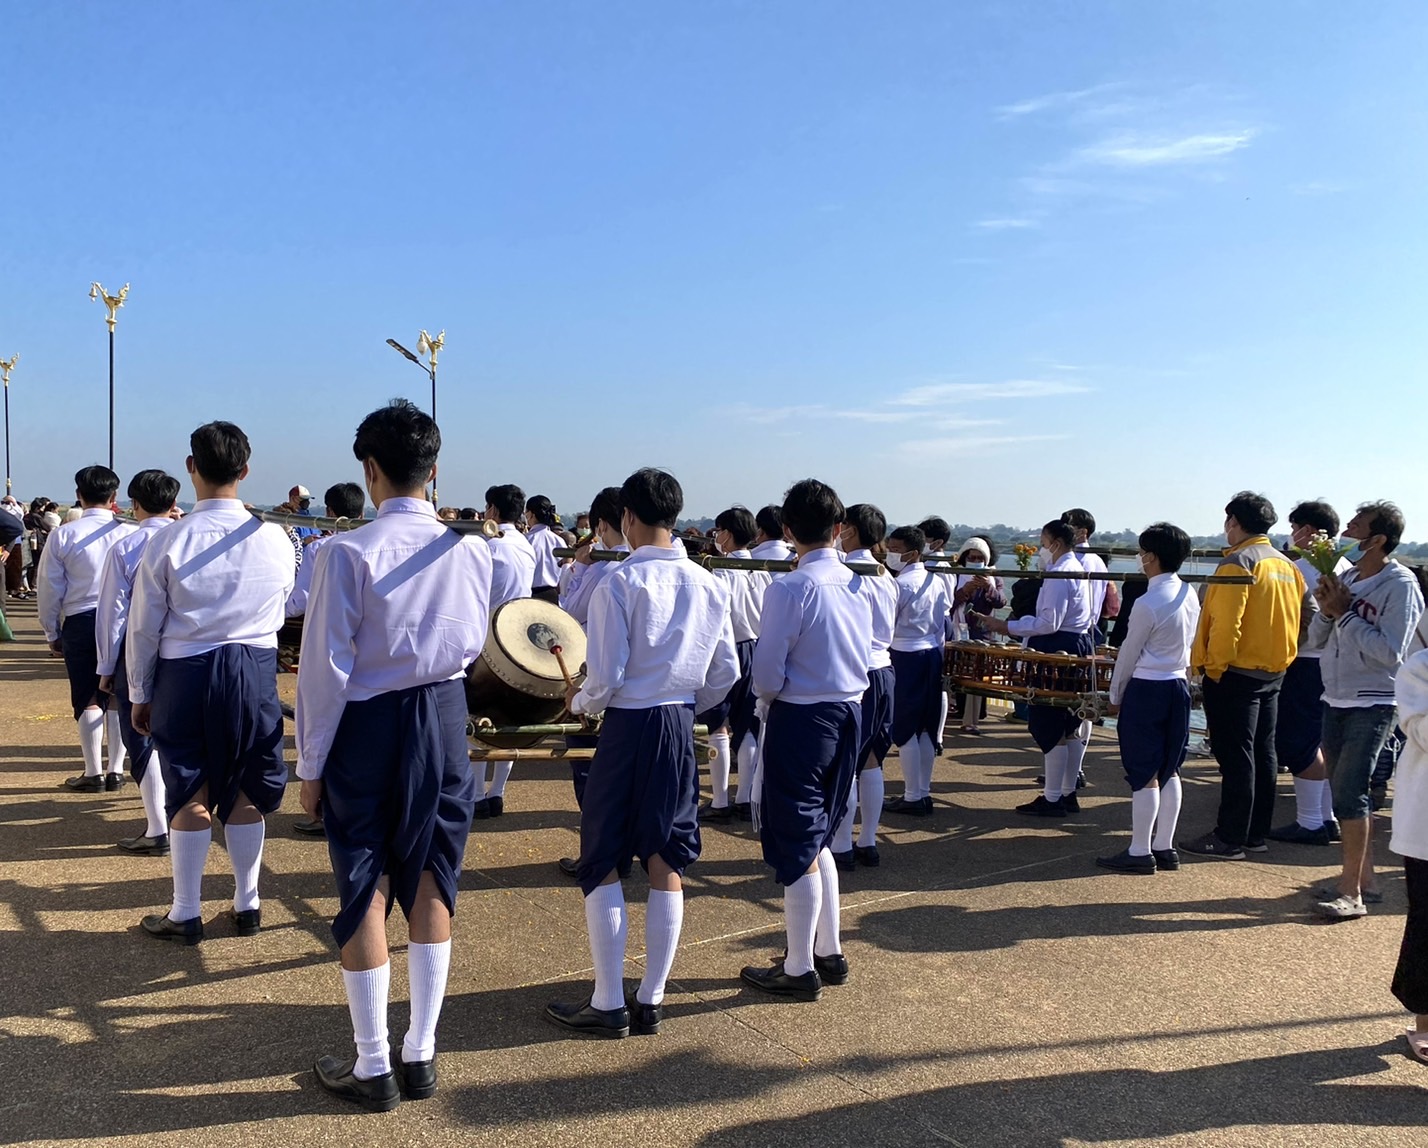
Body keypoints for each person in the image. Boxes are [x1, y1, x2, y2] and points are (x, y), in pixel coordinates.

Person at [296, 400, 493, 1110]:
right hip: (444, 716)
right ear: (434, 470)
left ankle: (372, 1063)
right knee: (434, 873)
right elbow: (477, 643)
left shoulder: (345, 552)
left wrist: (309, 767)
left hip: (370, 723)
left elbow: (324, 671)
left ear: (370, 470)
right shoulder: (472, 547)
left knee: (365, 876)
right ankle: (423, 1053)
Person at [545, 468, 738, 1038]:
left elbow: (606, 675)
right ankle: (652, 997)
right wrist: (685, 703)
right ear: (674, 516)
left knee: (602, 853)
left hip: (629, 724)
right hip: (678, 723)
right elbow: (725, 671)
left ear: (627, 518)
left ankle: (609, 1000)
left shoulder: (620, 584)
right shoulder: (709, 583)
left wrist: (581, 701)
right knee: (666, 855)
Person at [128, 422, 296, 944]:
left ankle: (186, 909)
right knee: (247, 784)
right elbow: (286, 602)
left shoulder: (168, 540)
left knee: (188, 787)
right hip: (254, 668)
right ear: (245, 471)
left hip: (187, 670)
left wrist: (139, 691)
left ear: (190, 467)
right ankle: (248, 902)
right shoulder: (276, 537)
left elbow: (143, 625)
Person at [741, 479, 871, 1001]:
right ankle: (828, 948)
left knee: (799, 837)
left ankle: (799, 967)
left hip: (803, 714)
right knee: (821, 832)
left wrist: (765, 697)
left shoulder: (791, 587)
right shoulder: (861, 583)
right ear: (839, 529)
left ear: (789, 530)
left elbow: (767, 670)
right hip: (849, 709)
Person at [1304, 502, 1423, 919]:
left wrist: (1345, 613)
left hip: (1374, 701)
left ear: (1378, 540)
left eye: (1355, 529)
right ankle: (1365, 879)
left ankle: (1350, 892)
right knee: (1344, 794)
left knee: (1351, 792)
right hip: (1335, 695)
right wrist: (1325, 607)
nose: (1345, 536)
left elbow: (1391, 653)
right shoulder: (1348, 576)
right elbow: (1319, 638)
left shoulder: (1400, 584)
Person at [1182, 493, 1305, 860]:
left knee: (1235, 755)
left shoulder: (1239, 563)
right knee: (1263, 752)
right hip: (1274, 669)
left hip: (1235, 672)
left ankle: (1229, 836)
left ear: (1234, 522)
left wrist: (1212, 669)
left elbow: (1225, 625)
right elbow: (1308, 616)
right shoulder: (1287, 565)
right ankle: (1254, 833)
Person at [1095, 524, 1200, 873]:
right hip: (1177, 683)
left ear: (1151, 557)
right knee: (1171, 767)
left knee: (1144, 770)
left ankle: (1140, 850)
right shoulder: (1190, 593)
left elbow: (1128, 653)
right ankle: (1165, 845)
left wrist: (1115, 693)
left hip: (1148, 685)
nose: (1141, 559)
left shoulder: (1147, 602)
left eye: (1142, 553)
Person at [978, 521, 1094, 817]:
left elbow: (1048, 622)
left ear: (1054, 543)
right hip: (1076, 644)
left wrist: (1007, 625)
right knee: (1068, 724)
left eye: (1043, 542)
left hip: (1056, 647)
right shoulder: (1078, 568)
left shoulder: (1058, 573)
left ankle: (1053, 798)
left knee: (1048, 720)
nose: (1041, 549)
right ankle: (1066, 794)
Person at [95, 469, 181, 855]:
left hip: (138, 648)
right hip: (184, 650)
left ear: (134, 504)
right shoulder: (186, 538)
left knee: (140, 737)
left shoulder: (126, 547)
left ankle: (156, 827)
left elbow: (112, 614)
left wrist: (105, 666)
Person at [36, 466, 134, 792]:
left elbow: (49, 589)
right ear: (114, 497)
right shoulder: (128, 531)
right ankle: (117, 769)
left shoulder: (64, 534)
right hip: (123, 619)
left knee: (87, 694)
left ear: (79, 495)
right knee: (120, 695)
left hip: (81, 618)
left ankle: (92, 771)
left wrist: (52, 631)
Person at [1268, 500, 1353, 846]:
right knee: (1327, 740)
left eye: (1294, 528)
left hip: (1305, 660)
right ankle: (1327, 817)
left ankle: (1310, 821)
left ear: (1308, 532)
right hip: (1342, 662)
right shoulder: (1349, 567)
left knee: (1299, 740)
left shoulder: (1298, 569)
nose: (1291, 536)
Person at [554, 485, 627, 878]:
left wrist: (579, 568)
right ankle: (624, 848)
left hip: (593, 672)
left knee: (589, 769)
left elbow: (569, 609)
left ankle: (599, 852)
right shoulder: (639, 563)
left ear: (601, 524)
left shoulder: (603, 566)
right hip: (645, 692)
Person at [829, 503, 898, 868]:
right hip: (884, 668)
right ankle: (867, 840)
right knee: (871, 760)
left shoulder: (847, 572)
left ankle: (841, 845)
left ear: (850, 530)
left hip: (858, 672)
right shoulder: (886, 574)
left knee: (848, 761)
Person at [883, 526, 952, 817]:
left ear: (912, 552)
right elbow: (945, 615)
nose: (890, 554)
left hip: (904, 652)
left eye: (895, 549)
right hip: (931, 652)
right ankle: (922, 791)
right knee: (925, 725)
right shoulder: (936, 580)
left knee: (905, 724)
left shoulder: (900, 584)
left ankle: (914, 795)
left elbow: (887, 622)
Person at [699, 506, 761, 825]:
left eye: (718, 530)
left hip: (727, 645)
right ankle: (744, 796)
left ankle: (721, 800)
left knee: (718, 722)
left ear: (729, 533)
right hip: (755, 646)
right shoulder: (763, 568)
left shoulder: (723, 569)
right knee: (748, 723)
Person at [478, 483, 536, 818]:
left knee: (478, 718)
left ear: (493, 511)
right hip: (518, 634)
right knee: (511, 716)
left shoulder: (488, 544)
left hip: (487, 635)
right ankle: (496, 791)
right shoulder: (525, 545)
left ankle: (474, 794)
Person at [1062, 509, 1120, 786]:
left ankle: (1068, 768)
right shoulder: (1098, 560)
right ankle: (1076, 766)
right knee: (1085, 699)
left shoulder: (1074, 559)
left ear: (1082, 530)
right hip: (1092, 632)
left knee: (1069, 701)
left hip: (1073, 633)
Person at [1391, 646, 1428, 1063]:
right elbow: (1419, 730)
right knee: (1426, 921)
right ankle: (1425, 1019)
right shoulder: (1420, 667)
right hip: (1424, 826)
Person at [949, 537, 1006, 734]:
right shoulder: (955, 576)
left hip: (981, 634)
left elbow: (1001, 602)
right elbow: (946, 604)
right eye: (972, 557)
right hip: (956, 631)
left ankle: (971, 720)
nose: (975, 560)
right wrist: (964, 591)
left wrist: (987, 588)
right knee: (954, 673)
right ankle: (953, 708)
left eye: (980, 557)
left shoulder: (994, 577)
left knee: (976, 676)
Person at [286, 482, 367, 619]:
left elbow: (301, 601)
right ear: (362, 515)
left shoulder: (317, 549)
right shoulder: (374, 546)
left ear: (329, 512)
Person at [525, 495, 564, 603]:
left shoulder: (527, 540)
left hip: (532, 594)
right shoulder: (559, 540)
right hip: (553, 593)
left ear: (531, 514)